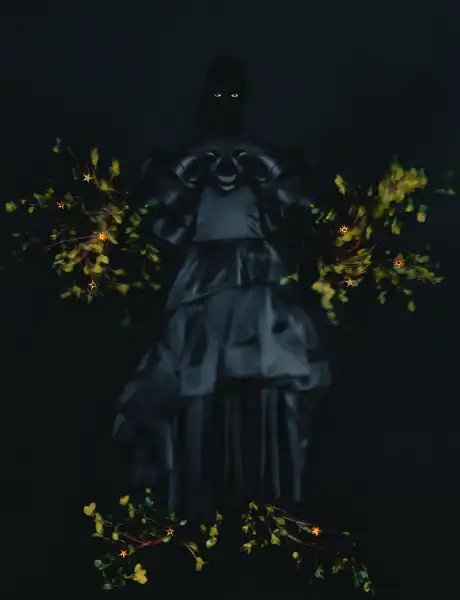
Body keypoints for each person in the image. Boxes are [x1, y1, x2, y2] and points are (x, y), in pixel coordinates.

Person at [112, 56, 331, 519]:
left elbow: (303, 210)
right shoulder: (188, 164)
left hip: (253, 283)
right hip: (203, 286)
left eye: (233, 94)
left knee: (264, 382)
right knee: (198, 383)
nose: (225, 103)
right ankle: (199, 503)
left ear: (244, 99)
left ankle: (263, 503)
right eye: (218, 94)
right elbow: (154, 219)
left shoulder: (259, 162)